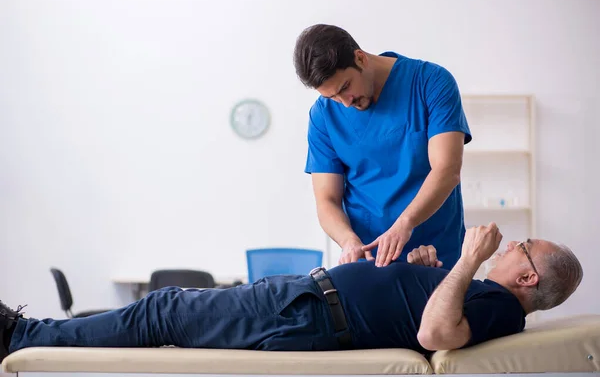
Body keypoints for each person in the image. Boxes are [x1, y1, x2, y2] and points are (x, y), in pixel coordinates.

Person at [0, 223, 583, 363]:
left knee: (163, 311)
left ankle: (23, 337)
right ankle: (28, 333)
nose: (511, 246)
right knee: (167, 308)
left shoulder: (503, 311)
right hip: (309, 298)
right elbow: (434, 312)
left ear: (528, 277)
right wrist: (429, 270)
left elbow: (435, 333)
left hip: (309, 315)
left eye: (521, 247)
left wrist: (466, 259)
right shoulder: (489, 300)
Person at [294, 24, 472, 269]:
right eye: (332, 97)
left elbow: (447, 170)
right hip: (372, 263)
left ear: (360, 58)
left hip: (437, 253)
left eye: (345, 87)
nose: (344, 103)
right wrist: (348, 241)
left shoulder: (430, 82)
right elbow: (327, 199)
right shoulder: (323, 115)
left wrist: (404, 225)